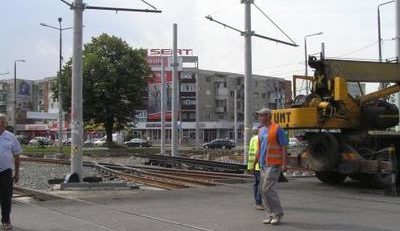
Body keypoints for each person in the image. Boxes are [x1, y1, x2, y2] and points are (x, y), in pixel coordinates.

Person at [254, 108, 288, 225]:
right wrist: (255, 162)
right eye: (259, 116)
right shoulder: (261, 130)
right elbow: (259, 148)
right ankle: (270, 215)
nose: (259, 118)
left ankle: (278, 214)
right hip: (263, 164)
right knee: (262, 191)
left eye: (261, 115)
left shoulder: (277, 129)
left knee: (267, 189)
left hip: (274, 163)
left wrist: (284, 163)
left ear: (268, 116)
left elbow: (284, 146)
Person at [0, 114, 23, 230]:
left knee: (6, 197)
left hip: (6, 172)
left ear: (6, 124)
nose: (0, 124)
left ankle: (5, 221)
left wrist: (17, 172)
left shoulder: (11, 137)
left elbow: (17, 155)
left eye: (3, 122)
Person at [246, 128, 263, 210]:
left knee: (256, 184)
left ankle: (257, 201)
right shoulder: (260, 138)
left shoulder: (252, 139)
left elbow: (250, 153)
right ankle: (258, 202)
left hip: (254, 164)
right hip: (260, 165)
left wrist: (250, 166)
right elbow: (259, 152)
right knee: (261, 185)